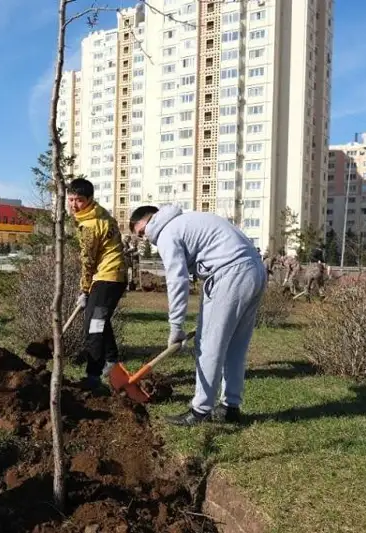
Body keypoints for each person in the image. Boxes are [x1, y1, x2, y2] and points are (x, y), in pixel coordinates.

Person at [129, 204, 266, 426]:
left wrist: (176, 326)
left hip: (229, 273)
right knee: (235, 346)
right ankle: (230, 407)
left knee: (208, 345)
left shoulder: (166, 231)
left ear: (150, 220)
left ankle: (200, 411)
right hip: (254, 269)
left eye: (142, 232)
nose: (145, 239)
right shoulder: (187, 220)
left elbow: (177, 280)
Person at [67, 178, 128, 389]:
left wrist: (84, 290)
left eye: (79, 200)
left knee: (93, 326)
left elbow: (88, 261)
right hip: (111, 277)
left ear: (89, 200)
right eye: (71, 199)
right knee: (100, 320)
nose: (74, 205)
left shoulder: (90, 225)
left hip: (107, 278)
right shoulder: (98, 213)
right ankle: (112, 361)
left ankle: (93, 376)